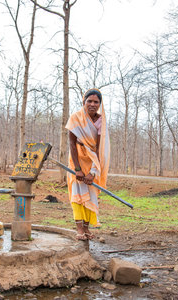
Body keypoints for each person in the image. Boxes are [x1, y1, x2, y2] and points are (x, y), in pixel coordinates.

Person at [66, 88, 110, 240]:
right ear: (83, 102)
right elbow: (72, 144)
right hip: (76, 160)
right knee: (77, 195)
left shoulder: (100, 121)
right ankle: (79, 229)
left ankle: (86, 228)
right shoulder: (75, 118)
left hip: (93, 162)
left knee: (90, 195)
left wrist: (92, 172)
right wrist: (77, 169)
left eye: (96, 102)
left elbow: (98, 148)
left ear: (100, 104)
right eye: (89, 101)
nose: (92, 104)